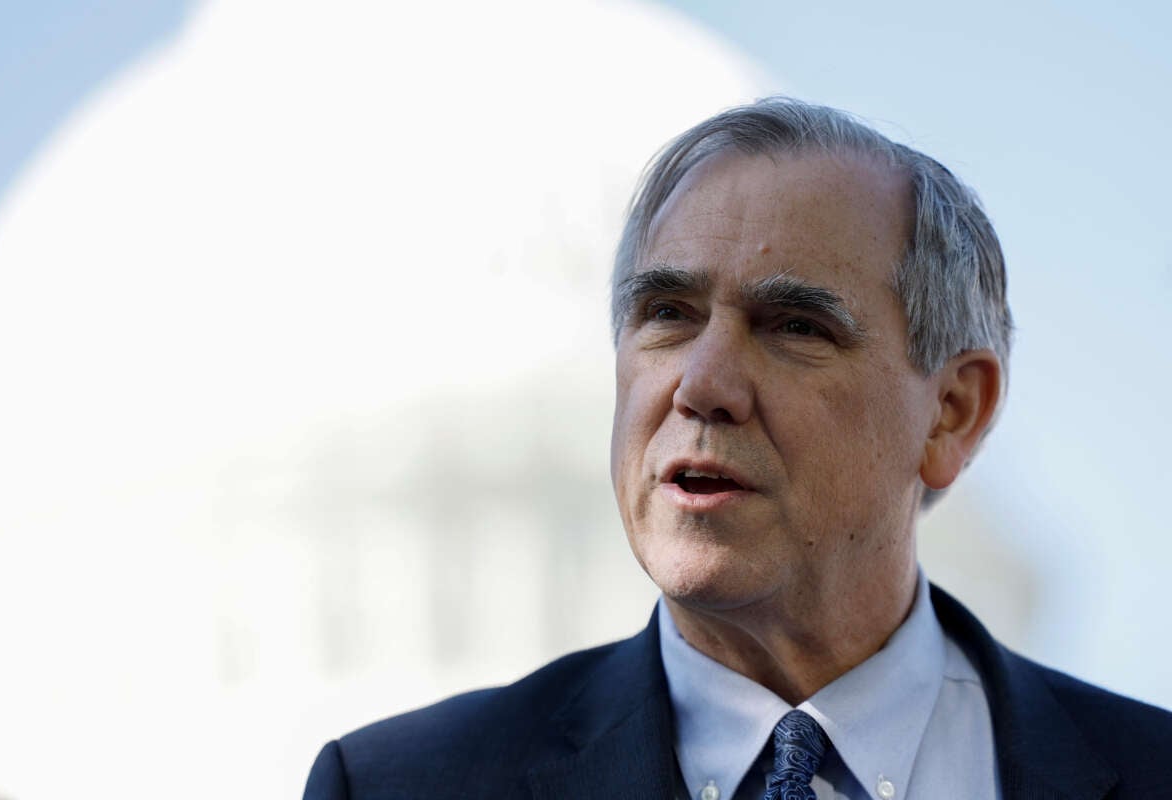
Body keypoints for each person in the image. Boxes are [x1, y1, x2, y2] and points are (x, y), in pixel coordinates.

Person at [303, 97, 1172, 799]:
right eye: (667, 315)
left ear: (951, 412)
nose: (702, 384)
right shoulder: (394, 785)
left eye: (795, 326)